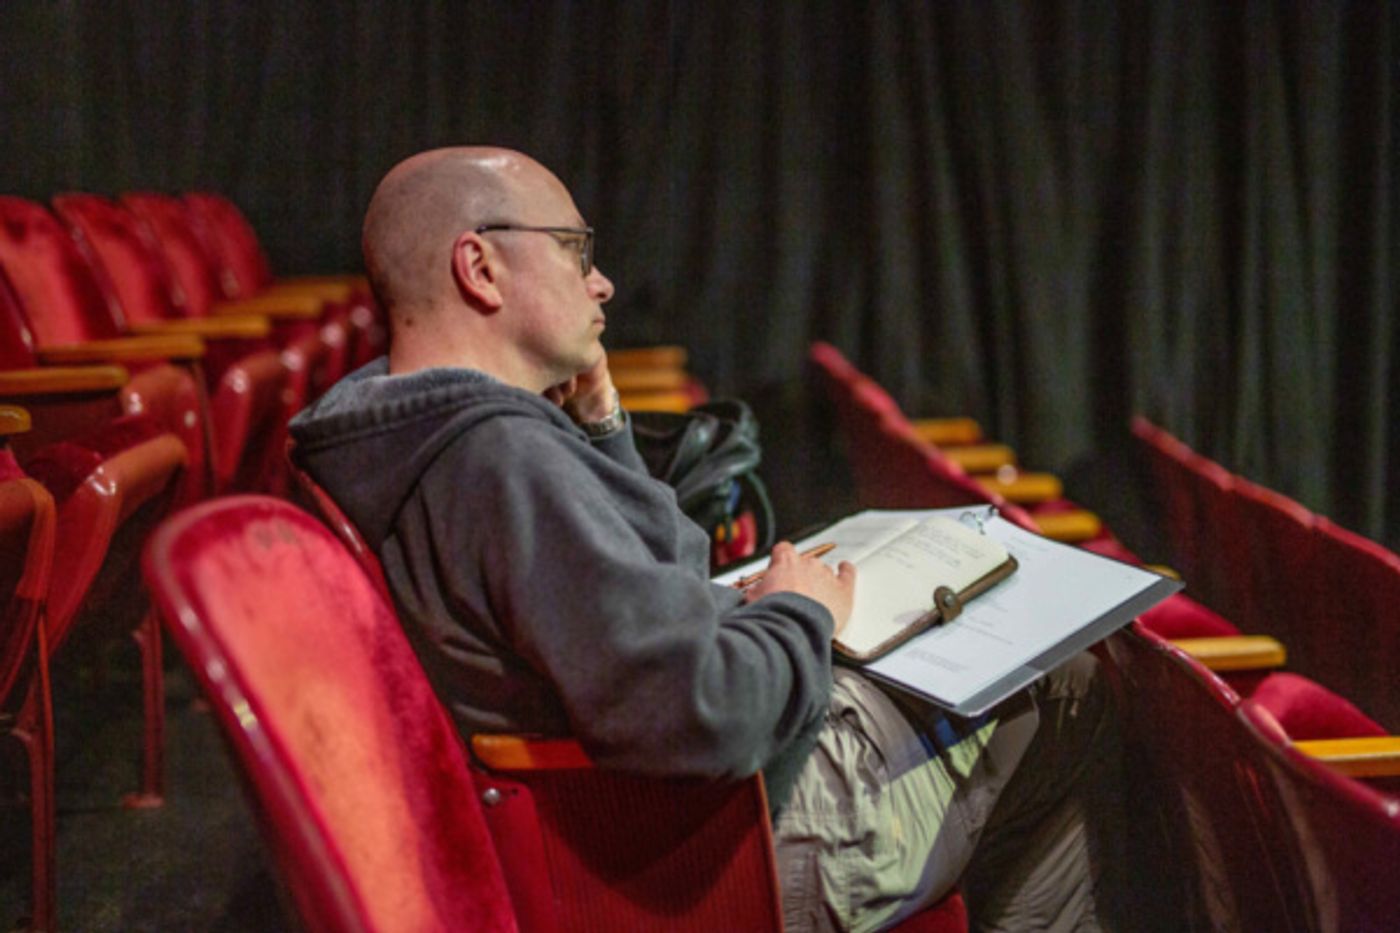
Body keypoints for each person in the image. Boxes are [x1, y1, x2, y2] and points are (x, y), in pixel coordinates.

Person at [289, 146, 1127, 932]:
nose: (602, 282)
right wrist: (800, 612)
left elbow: (671, 572)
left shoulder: (412, 427)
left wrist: (603, 429)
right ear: (480, 268)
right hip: (712, 845)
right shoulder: (500, 458)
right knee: (1073, 686)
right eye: (576, 250)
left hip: (638, 816)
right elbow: (705, 710)